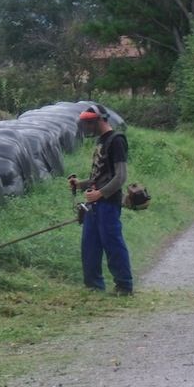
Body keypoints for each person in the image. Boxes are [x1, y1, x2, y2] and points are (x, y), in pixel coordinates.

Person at [67, 104, 134, 295]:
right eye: (85, 123)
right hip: (93, 205)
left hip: (108, 205)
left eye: (89, 123)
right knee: (90, 246)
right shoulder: (100, 142)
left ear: (101, 120)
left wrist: (100, 193)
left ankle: (124, 286)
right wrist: (80, 184)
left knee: (113, 244)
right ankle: (93, 287)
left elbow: (120, 177)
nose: (87, 127)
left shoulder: (116, 140)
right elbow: (100, 177)